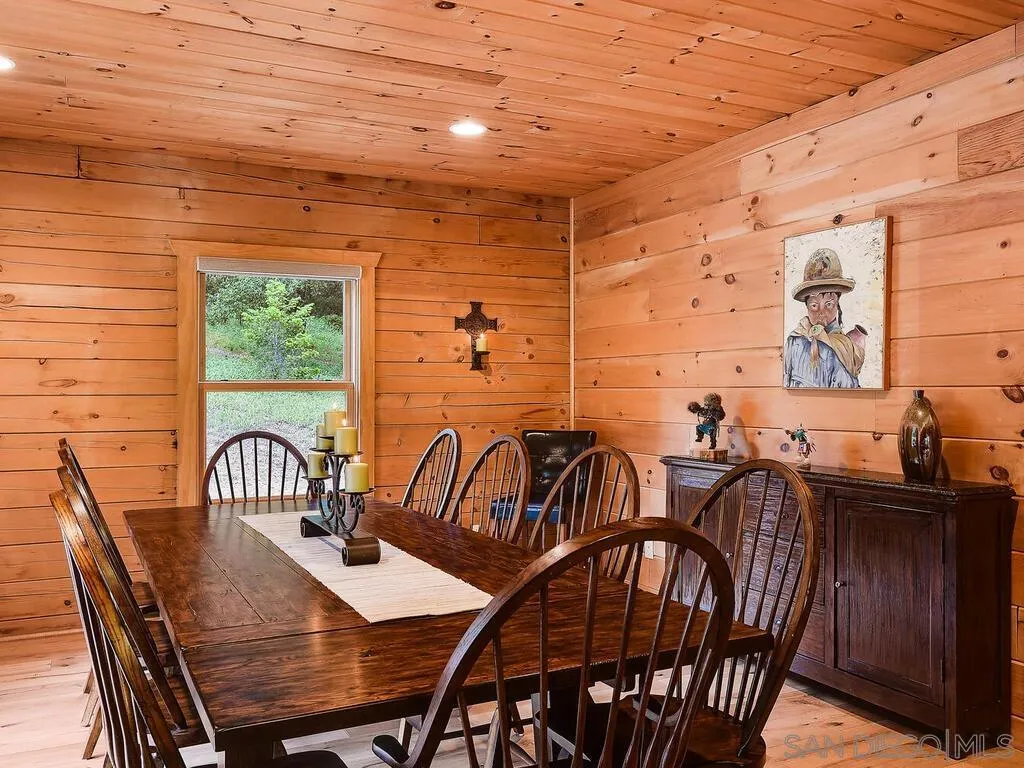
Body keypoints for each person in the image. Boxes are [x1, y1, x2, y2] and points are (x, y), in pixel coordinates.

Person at [784, 248, 867, 388]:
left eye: (828, 304)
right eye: (814, 306)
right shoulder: (795, 341)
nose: (821, 312)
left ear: (837, 304)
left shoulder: (846, 349)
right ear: (807, 306)